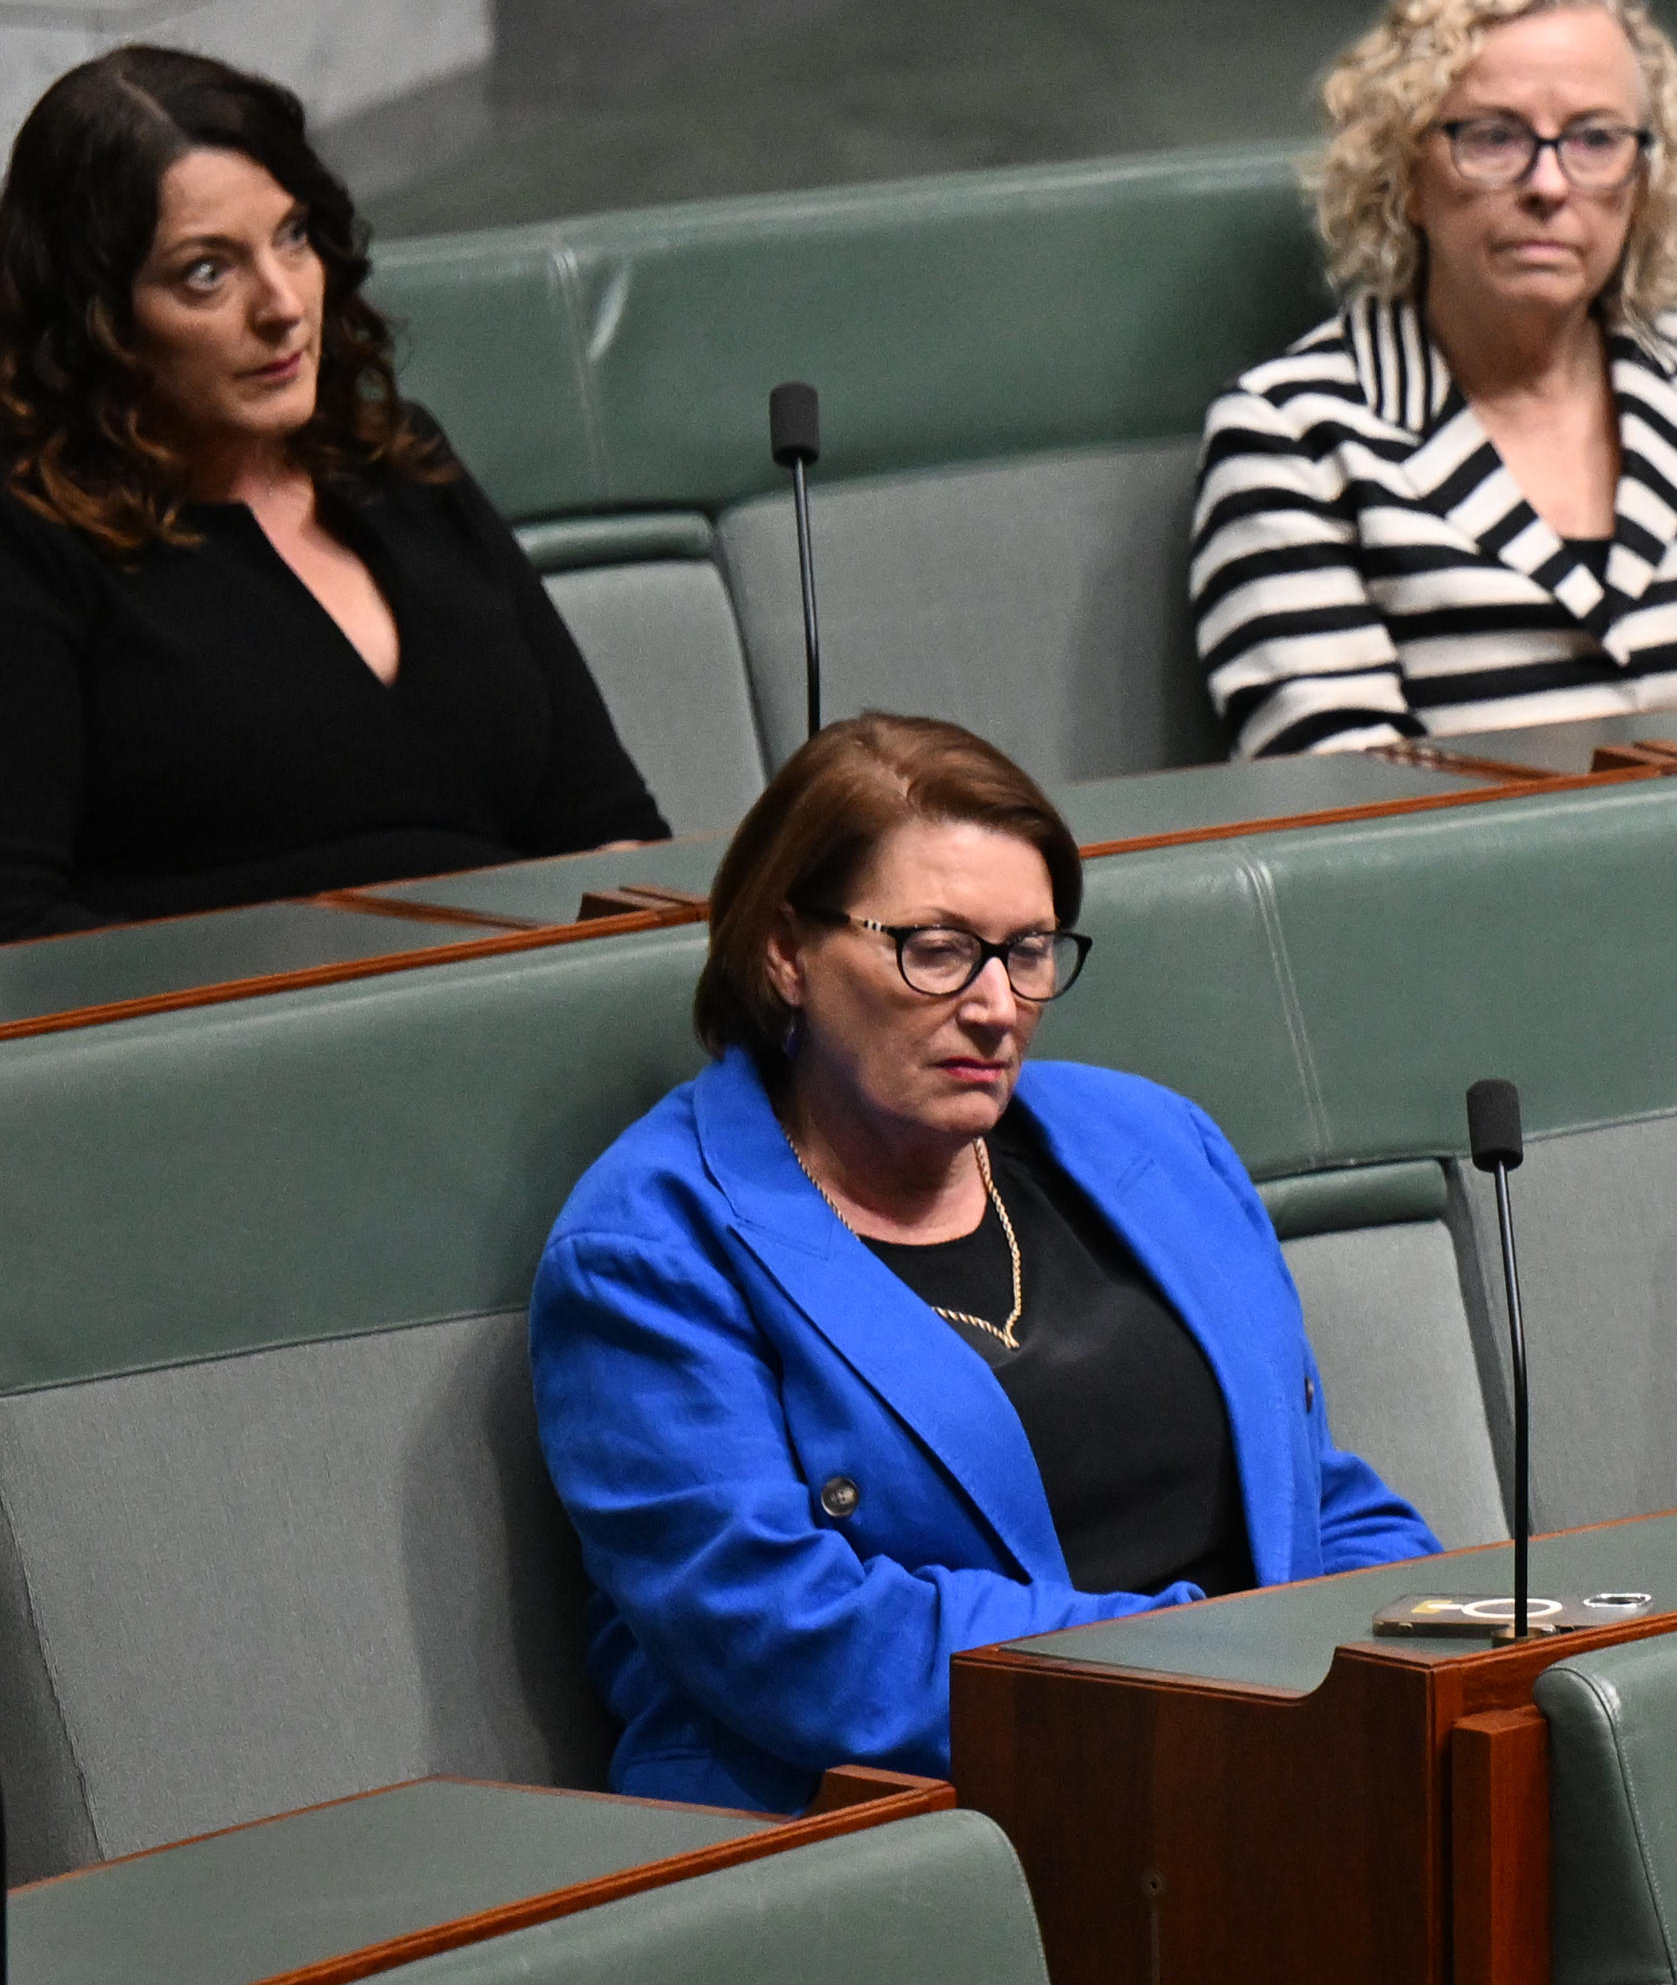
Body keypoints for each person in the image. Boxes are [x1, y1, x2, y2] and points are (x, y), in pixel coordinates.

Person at [529, 713, 1437, 1812]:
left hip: (1245, 1756)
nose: (998, 1007)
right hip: (911, 1833)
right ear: (784, 950)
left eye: (1029, 950)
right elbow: (790, 1632)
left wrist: (1431, 1640)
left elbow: (1308, 1491)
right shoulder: (649, 1251)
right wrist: (1218, 1670)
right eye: (937, 949)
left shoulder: (1156, 1144)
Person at [0, 46, 663, 937]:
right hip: (248, 1055)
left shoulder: (404, 465)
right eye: (208, 271)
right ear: (98, 319)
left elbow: (614, 830)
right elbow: (19, 937)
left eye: (293, 237)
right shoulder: (32, 542)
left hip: (534, 1022)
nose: (281, 304)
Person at [1190, 0, 1677, 757]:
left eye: (1593, 139)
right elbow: (1341, 815)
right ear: (1404, 173)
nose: (1548, 185)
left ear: (1645, 177)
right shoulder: (1294, 437)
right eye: (1495, 138)